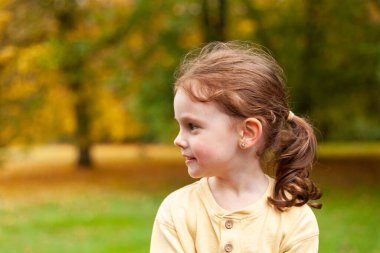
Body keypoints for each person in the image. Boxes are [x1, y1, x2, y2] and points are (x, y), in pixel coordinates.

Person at [150, 41, 322, 253]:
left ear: (247, 132)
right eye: (180, 125)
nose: (178, 139)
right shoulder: (177, 211)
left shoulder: (295, 219)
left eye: (192, 126)